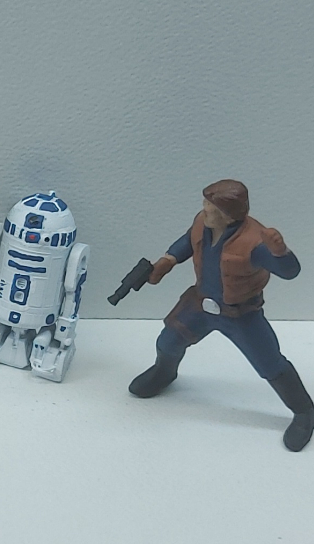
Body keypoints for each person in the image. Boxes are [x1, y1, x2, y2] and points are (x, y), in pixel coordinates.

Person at [129, 179, 313, 452]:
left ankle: (303, 411)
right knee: (168, 341)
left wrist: (280, 252)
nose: (204, 209)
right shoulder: (203, 223)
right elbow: (187, 241)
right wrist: (168, 260)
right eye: (205, 203)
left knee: (269, 363)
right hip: (200, 303)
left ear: (229, 215)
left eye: (211, 207)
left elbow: (290, 272)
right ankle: (164, 373)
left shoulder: (255, 241)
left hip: (241, 314)